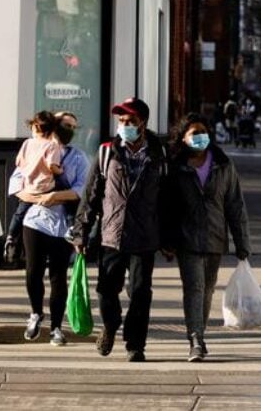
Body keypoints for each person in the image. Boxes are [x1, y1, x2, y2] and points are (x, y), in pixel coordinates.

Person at [70, 97, 170, 362]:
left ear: (143, 124)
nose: (124, 125)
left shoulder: (160, 155)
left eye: (130, 121)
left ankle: (135, 344)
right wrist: (81, 231)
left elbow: (169, 200)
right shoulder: (106, 152)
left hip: (145, 237)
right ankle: (111, 326)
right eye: (121, 121)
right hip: (111, 234)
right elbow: (91, 195)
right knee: (106, 290)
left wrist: (168, 238)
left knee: (140, 293)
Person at [166, 113, 251, 362]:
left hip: (215, 236)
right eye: (194, 133)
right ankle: (196, 339)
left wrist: (242, 242)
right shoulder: (176, 166)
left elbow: (235, 205)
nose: (200, 136)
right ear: (183, 138)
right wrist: (167, 240)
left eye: (203, 131)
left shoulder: (223, 164)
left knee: (208, 289)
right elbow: (166, 207)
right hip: (186, 238)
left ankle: (198, 334)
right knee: (194, 288)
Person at [8, 111, 89, 346]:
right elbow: (16, 183)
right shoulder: (33, 147)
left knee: (58, 276)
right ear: (53, 125)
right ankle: (35, 312)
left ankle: (56, 327)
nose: (69, 129)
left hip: (63, 224)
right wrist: (34, 197)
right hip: (34, 220)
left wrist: (55, 195)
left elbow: (81, 189)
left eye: (73, 126)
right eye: (65, 124)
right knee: (33, 271)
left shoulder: (78, 158)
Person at [5, 111, 63, 254]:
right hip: (45, 188)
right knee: (64, 201)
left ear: (34, 127)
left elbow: (19, 162)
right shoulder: (52, 146)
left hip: (28, 187)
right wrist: (60, 171)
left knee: (19, 213)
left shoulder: (27, 143)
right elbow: (52, 166)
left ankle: (11, 236)